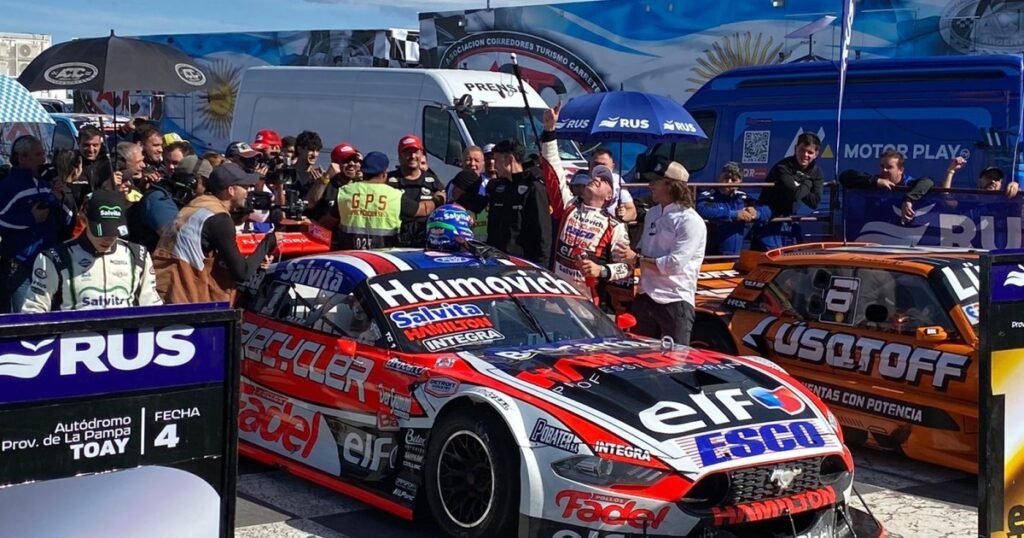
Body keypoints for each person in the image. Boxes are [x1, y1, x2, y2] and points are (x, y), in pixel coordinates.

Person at [153, 162, 278, 304]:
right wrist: (269, 241)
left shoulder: (197, 204)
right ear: (231, 190)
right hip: (182, 300)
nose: (249, 191)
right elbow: (243, 273)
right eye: (244, 187)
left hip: (163, 290)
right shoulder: (219, 218)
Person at [19, 190, 162, 312]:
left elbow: (152, 308)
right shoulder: (55, 258)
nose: (108, 239)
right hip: (75, 340)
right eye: (101, 232)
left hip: (124, 340)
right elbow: (34, 310)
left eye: (113, 233)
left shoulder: (138, 255)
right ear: (85, 219)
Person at [614, 161, 706, 345]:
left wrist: (638, 259)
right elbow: (642, 249)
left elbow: (673, 265)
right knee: (638, 359)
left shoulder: (691, 221)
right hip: (644, 297)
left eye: (655, 181)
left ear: (672, 186)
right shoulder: (652, 213)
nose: (650, 185)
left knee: (676, 364)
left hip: (675, 300)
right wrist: (626, 251)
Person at [0, 135, 70, 312]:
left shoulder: (46, 184)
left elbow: (67, 222)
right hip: (20, 265)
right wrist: (30, 219)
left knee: (52, 314)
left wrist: (63, 200)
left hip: (49, 262)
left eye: (43, 153)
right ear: (22, 157)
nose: (43, 159)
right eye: (38, 154)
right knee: (25, 316)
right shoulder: (9, 186)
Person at [549, 165, 631, 302]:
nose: (596, 179)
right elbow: (554, 169)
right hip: (556, 296)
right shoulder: (569, 206)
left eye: (604, 180)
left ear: (610, 195)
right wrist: (548, 143)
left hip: (587, 303)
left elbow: (627, 268)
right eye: (595, 177)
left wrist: (600, 270)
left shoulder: (615, 226)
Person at [335, 152, 430, 250]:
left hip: (350, 257)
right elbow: (422, 210)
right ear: (384, 174)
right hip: (384, 258)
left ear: (363, 172)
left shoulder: (346, 192)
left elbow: (329, 221)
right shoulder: (394, 196)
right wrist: (438, 198)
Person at [750, 132, 824, 250]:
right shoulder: (783, 167)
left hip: (789, 220)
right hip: (770, 219)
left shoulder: (817, 172)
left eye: (810, 152)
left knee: (793, 256)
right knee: (771, 257)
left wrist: (799, 185)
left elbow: (814, 202)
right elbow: (795, 195)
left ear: (816, 154)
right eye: (802, 150)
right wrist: (808, 182)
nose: (805, 155)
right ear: (795, 149)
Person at [486, 138, 553, 266]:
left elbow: (543, 234)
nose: (494, 167)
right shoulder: (497, 188)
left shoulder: (534, 188)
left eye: (497, 161)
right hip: (496, 261)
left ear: (509, 160)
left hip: (523, 264)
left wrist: (542, 269)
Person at [839, 150, 934, 223]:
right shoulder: (874, 180)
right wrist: (875, 181)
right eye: (882, 166)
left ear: (900, 170)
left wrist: (909, 199)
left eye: (889, 167)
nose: (884, 170)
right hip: (871, 233)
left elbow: (928, 182)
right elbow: (845, 176)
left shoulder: (909, 183)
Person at [696, 161, 769, 255]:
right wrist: (734, 214)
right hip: (714, 255)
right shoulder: (709, 196)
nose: (728, 182)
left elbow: (768, 210)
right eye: (726, 178)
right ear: (719, 177)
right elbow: (702, 209)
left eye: (733, 179)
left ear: (740, 182)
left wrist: (756, 213)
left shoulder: (744, 198)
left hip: (741, 256)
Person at [387, 135, 445, 247]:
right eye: (407, 152)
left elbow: (443, 197)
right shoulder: (390, 180)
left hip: (425, 237)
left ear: (421, 154)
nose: (412, 156)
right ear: (399, 156)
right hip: (396, 239)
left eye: (416, 152)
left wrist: (440, 197)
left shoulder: (432, 179)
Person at [308, 143, 362, 238]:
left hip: (352, 243)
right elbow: (310, 203)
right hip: (328, 242)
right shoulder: (326, 183)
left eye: (355, 160)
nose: (352, 164)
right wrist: (327, 176)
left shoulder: (361, 186)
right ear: (336, 164)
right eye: (346, 160)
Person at [590, 147, 637, 223]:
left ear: (612, 166)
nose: (599, 168)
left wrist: (623, 215)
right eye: (596, 164)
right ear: (589, 165)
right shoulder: (581, 179)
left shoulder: (617, 181)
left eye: (603, 165)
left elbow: (632, 212)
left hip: (611, 225)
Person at [941, 157, 1021, 197]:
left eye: (996, 179)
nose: (992, 181)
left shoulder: (1006, 201)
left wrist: (1018, 189)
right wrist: (951, 171)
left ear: (1001, 183)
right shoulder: (969, 201)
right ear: (979, 181)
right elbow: (946, 199)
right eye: (989, 177)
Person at [78, 125, 112, 190]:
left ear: (100, 144)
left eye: (95, 145)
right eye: (86, 145)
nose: (91, 149)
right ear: (78, 142)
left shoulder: (108, 163)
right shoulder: (71, 163)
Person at [293, 130, 325, 197]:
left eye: (317, 150)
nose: (315, 154)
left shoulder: (319, 175)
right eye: (311, 150)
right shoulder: (288, 173)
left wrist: (320, 184)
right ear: (299, 149)